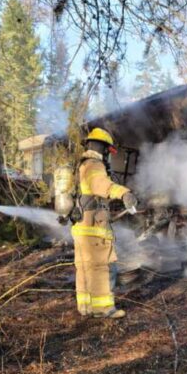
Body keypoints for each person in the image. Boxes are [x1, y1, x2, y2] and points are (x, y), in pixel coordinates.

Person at [72, 128, 138, 319]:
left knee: (85, 268)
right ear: (103, 148)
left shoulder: (81, 165)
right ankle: (103, 308)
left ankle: (86, 306)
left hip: (82, 227)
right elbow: (100, 184)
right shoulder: (94, 165)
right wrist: (124, 193)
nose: (109, 155)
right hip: (94, 229)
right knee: (101, 267)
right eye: (109, 151)